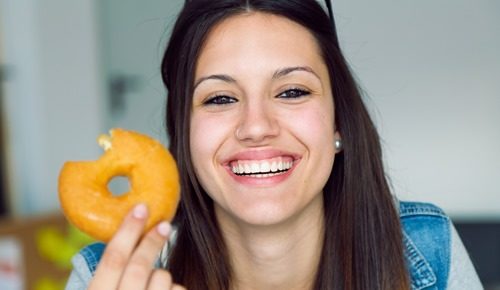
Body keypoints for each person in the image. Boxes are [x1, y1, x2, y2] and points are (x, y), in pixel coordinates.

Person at [65, 1, 483, 289]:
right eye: (220, 98)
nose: (256, 126)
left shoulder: (428, 251)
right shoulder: (106, 276)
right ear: (184, 133)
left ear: (339, 122)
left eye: (292, 91)